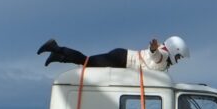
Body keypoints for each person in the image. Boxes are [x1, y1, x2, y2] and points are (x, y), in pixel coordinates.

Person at [38, 36, 188, 70]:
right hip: (121, 60)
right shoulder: (164, 55)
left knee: (87, 64)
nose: (179, 59)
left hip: (121, 58)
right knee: (86, 62)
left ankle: (59, 57)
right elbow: (155, 56)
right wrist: (153, 49)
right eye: (179, 56)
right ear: (174, 51)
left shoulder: (164, 60)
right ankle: (56, 48)